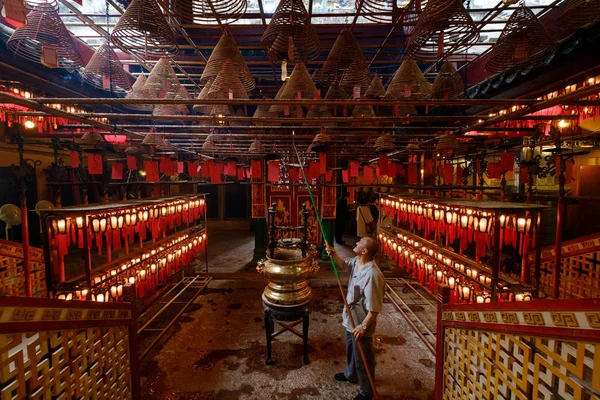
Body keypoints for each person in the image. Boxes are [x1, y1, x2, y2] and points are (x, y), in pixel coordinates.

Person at [327, 237, 385, 400]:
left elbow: (374, 309)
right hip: (350, 317)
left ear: (365, 251)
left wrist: (363, 327)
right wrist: (334, 254)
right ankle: (351, 374)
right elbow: (344, 265)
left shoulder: (372, 275)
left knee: (363, 356)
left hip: (361, 321)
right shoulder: (357, 261)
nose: (357, 242)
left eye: (360, 242)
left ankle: (367, 391)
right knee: (351, 350)